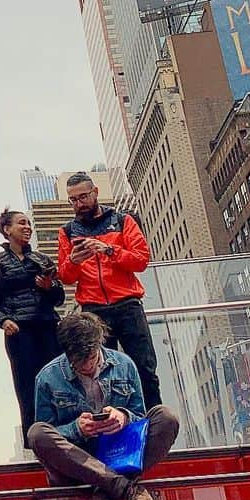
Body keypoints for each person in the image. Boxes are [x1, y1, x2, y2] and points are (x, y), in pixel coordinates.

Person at [28, 311, 180, 500]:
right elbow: (46, 435)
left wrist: (123, 417)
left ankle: (105, 490)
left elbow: (139, 416)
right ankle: (125, 489)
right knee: (36, 433)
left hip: (120, 452)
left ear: (99, 345)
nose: (87, 366)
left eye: (90, 358)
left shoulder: (124, 364)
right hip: (78, 460)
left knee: (166, 417)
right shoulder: (48, 378)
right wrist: (77, 429)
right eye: (78, 362)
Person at [57, 172, 160, 409]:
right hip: (93, 310)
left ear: (95, 193)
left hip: (127, 303)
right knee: (100, 373)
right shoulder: (67, 231)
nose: (78, 204)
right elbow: (66, 277)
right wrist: (74, 260)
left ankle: (154, 423)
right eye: (72, 200)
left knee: (144, 367)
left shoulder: (123, 220)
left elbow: (141, 260)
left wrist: (108, 250)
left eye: (83, 197)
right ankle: (112, 425)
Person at [0, 209, 64, 436]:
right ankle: (34, 439)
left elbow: (59, 298)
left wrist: (50, 287)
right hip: (18, 331)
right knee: (26, 385)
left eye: (29, 223)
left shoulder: (41, 259)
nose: (27, 227)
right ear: (7, 229)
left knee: (57, 381)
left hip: (48, 327)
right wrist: (3, 320)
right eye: (21, 223)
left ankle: (63, 433)